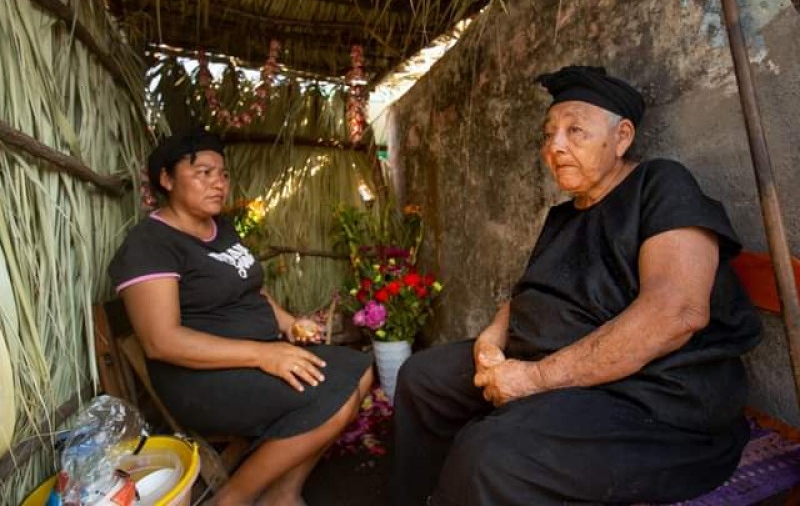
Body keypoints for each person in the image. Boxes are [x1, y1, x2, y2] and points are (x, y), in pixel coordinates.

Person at [390, 65, 762, 506]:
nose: (555, 147)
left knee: (491, 453)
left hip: (652, 399)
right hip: (558, 366)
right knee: (423, 378)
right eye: (548, 135)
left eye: (575, 131)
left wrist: (533, 379)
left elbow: (676, 311)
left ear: (622, 138)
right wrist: (490, 341)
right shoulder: (565, 215)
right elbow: (529, 295)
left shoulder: (660, 184)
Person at [109, 130, 373, 506]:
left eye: (223, 173)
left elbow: (251, 287)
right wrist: (264, 355)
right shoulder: (150, 245)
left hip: (255, 354)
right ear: (166, 179)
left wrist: (286, 322)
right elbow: (161, 341)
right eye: (203, 172)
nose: (219, 183)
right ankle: (231, 499)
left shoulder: (223, 228)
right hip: (200, 377)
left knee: (360, 371)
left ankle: (282, 493)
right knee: (328, 396)